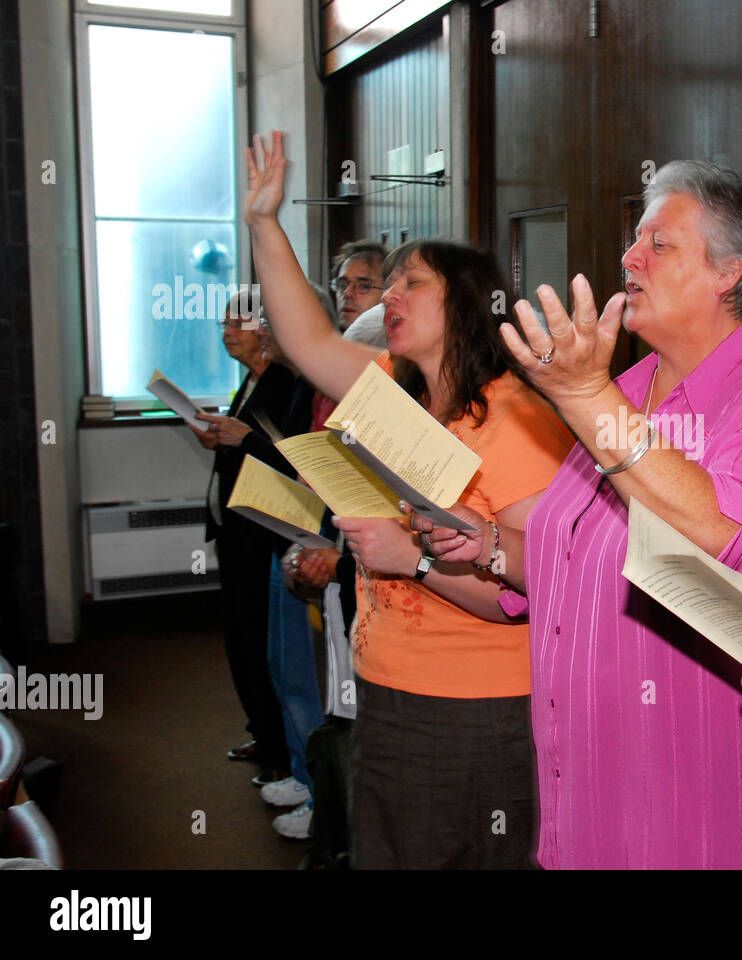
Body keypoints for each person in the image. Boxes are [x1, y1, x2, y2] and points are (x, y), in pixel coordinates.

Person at [422, 160, 742, 868]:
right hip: (591, 784)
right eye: (635, 240)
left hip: (715, 798)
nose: (630, 257)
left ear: (729, 274)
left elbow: (736, 546)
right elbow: (578, 560)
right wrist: (493, 546)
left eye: (660, 243)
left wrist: (587, 401)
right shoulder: (624, 389)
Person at [243, 131, 574, 868]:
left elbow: (539, 581)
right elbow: (306, 339)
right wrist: (264, 224)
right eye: (384, 283)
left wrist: (416, 562)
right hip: (388, 684)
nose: (388, 296)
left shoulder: (515, 415)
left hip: (474, 706)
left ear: (466, 300)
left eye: (409, 283)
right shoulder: (401, 396)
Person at [192, 291, 293, 788]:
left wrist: (240, 438)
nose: (227, 331)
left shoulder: (283, 381)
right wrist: (218, 436)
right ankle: (263, 731)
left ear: (268, 331)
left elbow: (289, 458)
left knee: (258, 643)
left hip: (262, 534)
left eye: (238, 322)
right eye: (223, 322)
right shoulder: (251, 379)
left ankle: (280, 749)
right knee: (240, 639)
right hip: (237, 532)